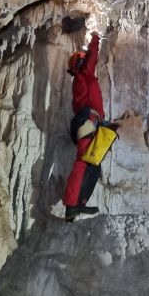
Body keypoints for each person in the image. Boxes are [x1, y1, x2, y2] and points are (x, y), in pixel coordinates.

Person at [63, 32, 108, 221]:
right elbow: (93, 56)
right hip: (87, 121)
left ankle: (78, 203)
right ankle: (71, 205)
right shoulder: (84, 74)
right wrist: (95, 38)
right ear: (80, 64)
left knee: (94, 166)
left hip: (91, 122)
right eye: (82, 59)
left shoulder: (81, 81)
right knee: (84, 161)